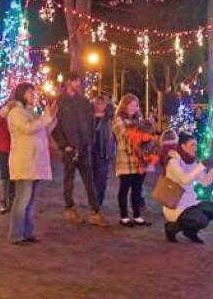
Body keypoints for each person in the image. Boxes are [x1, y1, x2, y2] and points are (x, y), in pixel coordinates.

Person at [2, 82, 57, 245]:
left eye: (33, 92)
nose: (33, 95)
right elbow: (28, 128)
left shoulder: (30, 112)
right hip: (24, 161)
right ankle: (16, 234)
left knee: (31, 201)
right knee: (22, 199)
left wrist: (51, 119)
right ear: (22, 94)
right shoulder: (16, 113)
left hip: (35, 161)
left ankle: (27, 232)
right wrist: (45, 118)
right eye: (30, 92)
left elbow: (41, 130)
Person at [52, 73, 109, 227]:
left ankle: (95, 211)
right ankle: (70, 208)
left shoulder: (83, 101)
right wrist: (64, 145)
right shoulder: (59, 102)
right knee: (68, 179)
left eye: (79, 81)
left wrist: (89, 141)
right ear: (68, 82)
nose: (78, 84)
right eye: (75, 81)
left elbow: (91, 122)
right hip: (69, 148)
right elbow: (54, 125)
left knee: (89, 180)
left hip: (84, 147)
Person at [163, 132, 213, 244]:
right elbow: (185, 179)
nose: (195, 148)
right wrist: (202, 165)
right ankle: (171, 228)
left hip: (190, 202)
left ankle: (190, 231)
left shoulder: (192, 162)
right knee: (201, 220)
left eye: (196, 145)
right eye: (192, 145)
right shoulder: (173, 162)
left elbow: (204, 182)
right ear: (183, 146)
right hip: (176, 205)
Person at [112, 93, 156, 227]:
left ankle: (137, 215)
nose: (133, 108)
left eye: (135, 105)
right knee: (125, 188)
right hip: (126, 158)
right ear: (124, 106)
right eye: (130, 105)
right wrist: (142, 130)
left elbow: (146, 136)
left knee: (137, 188)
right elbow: (125, 135)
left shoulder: (139, 120)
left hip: (140, 159)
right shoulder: (118, 119)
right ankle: (124, 217)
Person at [92, 93, 116, 208]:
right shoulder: (89, 116)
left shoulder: (110, 118)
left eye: (103, 102)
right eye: (98, 102)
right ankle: (93, 199)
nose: (101, 104)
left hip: (103, 151)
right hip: (90, 150)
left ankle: (98, 201)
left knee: (101, 177)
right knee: (92, 177)